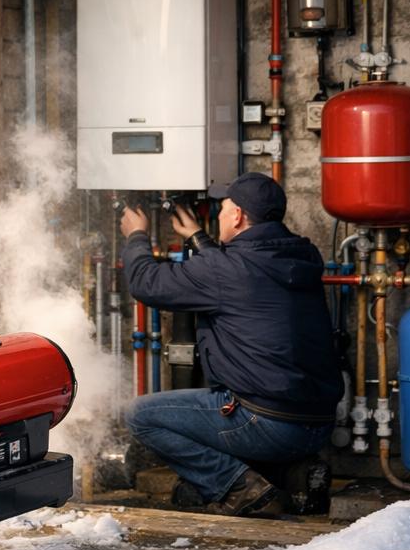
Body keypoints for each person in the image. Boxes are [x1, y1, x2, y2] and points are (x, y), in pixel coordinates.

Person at [118, 172, 340, 516]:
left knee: (139, 416)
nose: (220, 215)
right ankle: (293, 474)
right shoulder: (300, 256)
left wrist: (136, 235)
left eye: (223, 208)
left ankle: (239, 486)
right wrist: (197, 237)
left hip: (267, 425)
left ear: (237, 215)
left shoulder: (224, 270)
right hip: (318, 425)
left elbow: (147, 283)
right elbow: (238, 272)